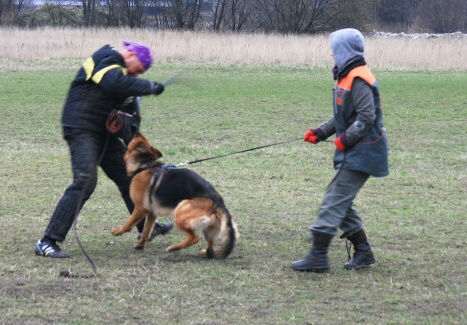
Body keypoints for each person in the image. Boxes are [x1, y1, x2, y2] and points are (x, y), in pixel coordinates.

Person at [34, 41, 173, 258]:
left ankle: (147, 228)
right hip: (81, 128)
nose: (135, 75)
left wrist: (132, 134)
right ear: (131, 54)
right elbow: (113, 84)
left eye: (139, 73)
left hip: (102, 133)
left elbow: (132, 117)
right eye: (137, 69)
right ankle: (47, 241)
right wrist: (149, 87)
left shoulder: (125, 78)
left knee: (130, 176)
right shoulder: (107, 58)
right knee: (85, 181)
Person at [291, 28, 389, 272]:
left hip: (364, 152)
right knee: (340, 200)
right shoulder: (346, 76)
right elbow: (344, 116)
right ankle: (363, 252)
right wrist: (321, 132)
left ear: (344, 51)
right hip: (355, 150)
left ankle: (318, 256)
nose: (331, 54)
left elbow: (366, 117)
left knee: (334, 200)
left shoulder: (358, 79)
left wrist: (345, 139)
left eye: (334, 50)